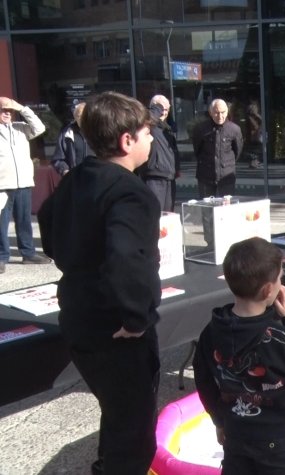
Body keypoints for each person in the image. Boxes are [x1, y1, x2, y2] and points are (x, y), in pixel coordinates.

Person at [37, 91, 161, 474]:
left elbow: (48, 225)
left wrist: (77, 263)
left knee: (118, 414)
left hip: (78, 317)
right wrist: (136, 318)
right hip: (116, 330)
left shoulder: (77, 178)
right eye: (146, 133)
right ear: (127, 140)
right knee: (135, 437)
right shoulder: (130, 192)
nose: (152, 140)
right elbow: (128, 260)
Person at [193, 237, 285, 474]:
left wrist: (218, 419)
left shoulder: (212, 331)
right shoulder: (276, 335)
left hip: (235, 432)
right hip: (277, 440)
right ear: (269, 289)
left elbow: (203, 380)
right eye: (280, 278)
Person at [0, 96, 50, 274]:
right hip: (2, 184)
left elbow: (40, 127)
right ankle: (1, 257)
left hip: (23, 181)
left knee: (24, 220)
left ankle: (28, 254)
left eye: (9, 111)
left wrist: (21, 108)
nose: (6, 113)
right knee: (2, 222)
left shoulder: (20, 128)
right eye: (3, 110)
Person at [192, 98, 243, 198]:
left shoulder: (234, 129)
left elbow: (237, 151)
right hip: (205, 176)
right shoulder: (200, 129)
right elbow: (197, 149)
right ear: (210, 113)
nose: (220, 116)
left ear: (227, 111)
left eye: (223, 112)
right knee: (207, 209)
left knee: (227, 209)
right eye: (216, 113)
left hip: (226, 177)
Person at [140, 95, 178, 212]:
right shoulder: (149, 125)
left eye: (166, 110)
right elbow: (148, 117)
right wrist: (158, 107)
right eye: (161, 109)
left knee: (168, 216)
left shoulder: (167, 128)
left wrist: (177, 168)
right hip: (154, 177)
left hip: (169, 177)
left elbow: (173, 151)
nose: (164, 113)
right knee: (155, 213)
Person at [51, 101, 90, 176]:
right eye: (79, 116)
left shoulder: (99, 132)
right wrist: (65, 171)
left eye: (85, 116)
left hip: (98, 178)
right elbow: (58, 158)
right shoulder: (66, 133)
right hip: (76, 178)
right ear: (75, 117)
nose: (82, 119)